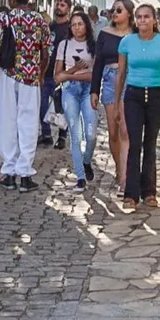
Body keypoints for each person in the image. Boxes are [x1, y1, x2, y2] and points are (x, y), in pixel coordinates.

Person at [0, 0, 50, 192]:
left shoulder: (3, 19)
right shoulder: (40, 21)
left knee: (7, 123)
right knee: (29, 124)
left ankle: (9, 172)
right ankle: (25, 174)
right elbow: (45, 53)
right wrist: (39, 74)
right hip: (31, 79)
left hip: (7, 75)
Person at [114, 4, 160, 211]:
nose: (142, 20)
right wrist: (116, 103)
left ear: (154, 19)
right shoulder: (127, 42)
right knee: (134, 144)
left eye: (146, 17)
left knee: (150, 142)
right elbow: (121, 74)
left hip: (157, 95)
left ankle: (149, 190)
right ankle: (131, 193)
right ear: (135, 20)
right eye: (139, 17)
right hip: (133, 95)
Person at [91, 0, 134, 198]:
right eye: (112, 10)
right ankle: (119, 167)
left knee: (126, 130)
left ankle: (125, 177)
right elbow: (98, 62)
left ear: (129, 14)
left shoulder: (135, 35)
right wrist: (94, 90)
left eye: (119, 10)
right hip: (109, 80)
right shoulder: (105, 34)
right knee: (113, 131)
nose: (114, 13)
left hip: (130, 80)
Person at [56, 11, 98, 191]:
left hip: (89, 91)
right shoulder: (64, 45)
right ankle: (80, 176)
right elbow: (57, 76)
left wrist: (70, 75)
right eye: (73, 25)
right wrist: (74, 69)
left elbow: (95, 75)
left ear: (86, 25)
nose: (76, 28)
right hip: (70, 91)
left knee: (91, 133)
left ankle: (87, 160)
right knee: (75, 134)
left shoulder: (94, 46)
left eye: (80, 24)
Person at [41, 0, 73, 148]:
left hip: (63, 73)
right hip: (46, 71)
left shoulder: (70, 28)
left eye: (63, 5)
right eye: (58, 4)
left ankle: (62, 136)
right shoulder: (50, 26)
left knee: (61, 105)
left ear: (68, 9)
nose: (59, 7)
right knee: (42, 103)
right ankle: (46, 134)